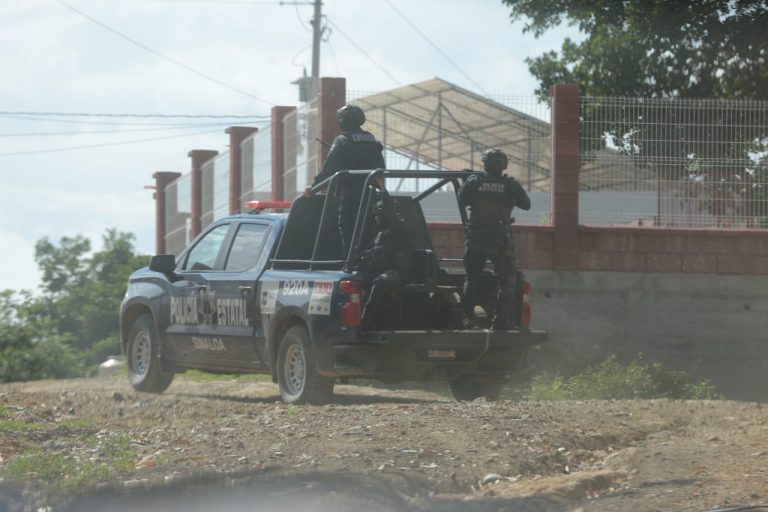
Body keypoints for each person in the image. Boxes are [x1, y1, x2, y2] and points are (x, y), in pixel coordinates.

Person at [458, 148, 531, 330]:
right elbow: (526, 205)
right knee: (507, 282)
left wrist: (467, 182)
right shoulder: (511, 185)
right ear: (504, 165)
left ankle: (468, 320)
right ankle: (501, 322)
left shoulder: (474, 182)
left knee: (472, 278)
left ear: (485, 163)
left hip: (476, 238)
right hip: (500, 240)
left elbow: (462, 201)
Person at [304, 105, 385, 255]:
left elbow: (329, 169)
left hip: (350, 196)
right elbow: (381, 169)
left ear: (342, 121)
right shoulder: (371, 139)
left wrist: (313, 188)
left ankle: (351, 262)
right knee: (370, 231)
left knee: (349, 231)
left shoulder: (342, 140)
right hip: (371, 195)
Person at [356, 177, 414, 330]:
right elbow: (368, 253)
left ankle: (366, 321)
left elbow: (391, 212)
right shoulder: (380, 234)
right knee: (355, 278)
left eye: (378, 215)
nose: (376, 219)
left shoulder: (398, 228)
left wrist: (382, 188)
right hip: (377, 270)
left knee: (380, 281)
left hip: (394, 273)